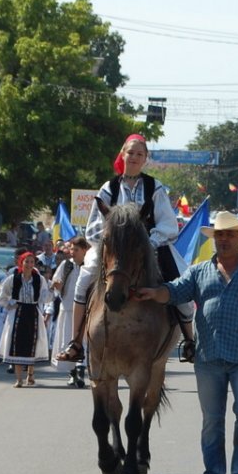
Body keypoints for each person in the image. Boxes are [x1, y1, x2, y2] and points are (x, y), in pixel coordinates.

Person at [137, 211, 238, 474]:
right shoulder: (199, 271)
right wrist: (152, 293)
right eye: (220, 235)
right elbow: (174, 292)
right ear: (214, 239)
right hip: (209, 358)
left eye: (229, 234)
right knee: (212, 420)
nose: (224, 239)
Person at [58, 134, 189, 361]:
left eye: (140, 154)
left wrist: (150, 242)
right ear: (123, 154)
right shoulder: (108, 188)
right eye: (131, 153)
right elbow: (93, 228)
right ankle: (76, 342)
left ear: (146, 158)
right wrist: (112, 240)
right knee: (83, 280)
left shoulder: (154, 187)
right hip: (112, 249)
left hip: (150, 247)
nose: (135, 157)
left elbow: (168, 224)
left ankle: (189, 339)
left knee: (181, 282)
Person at [0, 252, 53, 387]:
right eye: (26, 262)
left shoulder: (39, 279)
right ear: (21, 263)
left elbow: (44, 297)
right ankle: (19, 379)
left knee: (32, 342)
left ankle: (31, 375)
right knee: (16, 344)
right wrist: (9, 305)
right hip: (18, 313)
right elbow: (1, 295)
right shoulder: (13, 279)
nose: (29, 265)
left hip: (33, 312)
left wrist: (52, 290)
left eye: (32, 262)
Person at [51, 235, 89, 384]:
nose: (72, 252)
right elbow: (56, 282)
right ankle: (72, 373)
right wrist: (57, 286)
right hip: (67, 309)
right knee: (67, 341)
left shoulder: (90, 267)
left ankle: (81, 372)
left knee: (84, 342)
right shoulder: (66, 265)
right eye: (71, 249)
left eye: (76, 249)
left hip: (85, 310)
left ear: (85, 250)